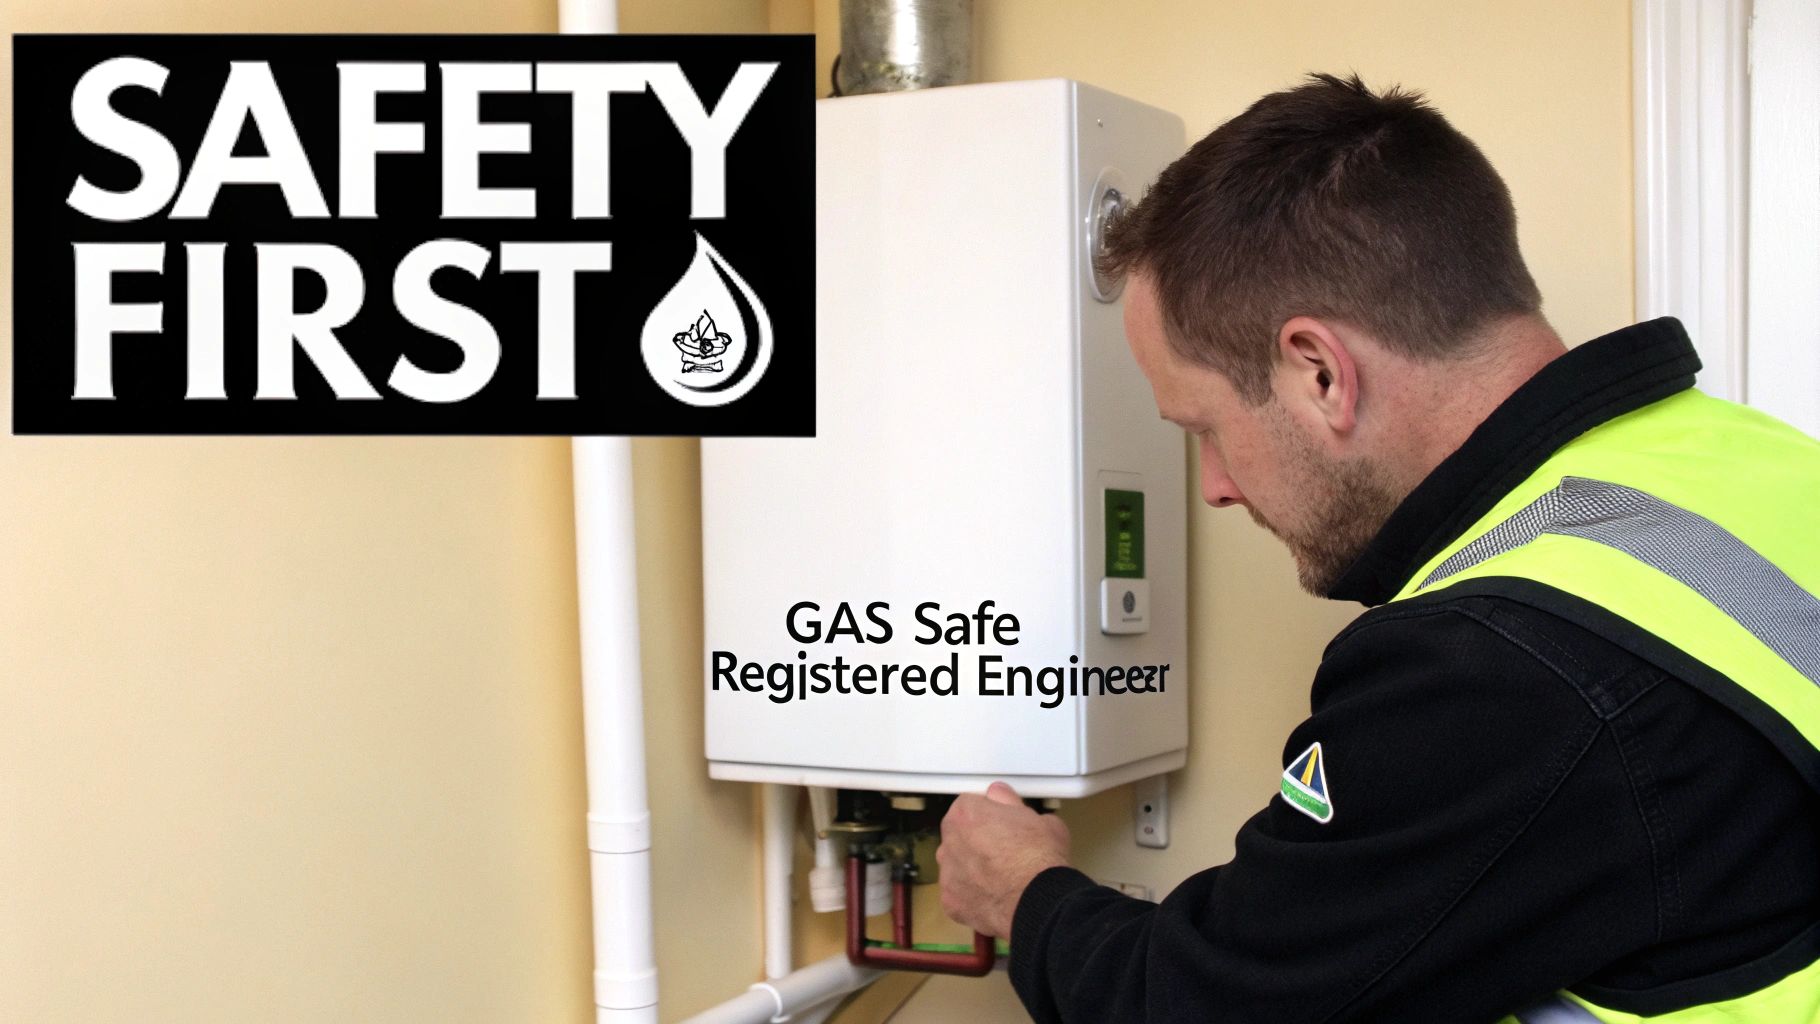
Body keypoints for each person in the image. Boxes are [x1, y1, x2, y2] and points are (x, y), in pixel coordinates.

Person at [935, 73, 1820, 1023]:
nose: (1215, 486)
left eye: (1203, 427)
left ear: (1320, 372)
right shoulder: (1745, 459)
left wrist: (1025, 895)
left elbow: (1202, 1007)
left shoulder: (1496, 667)